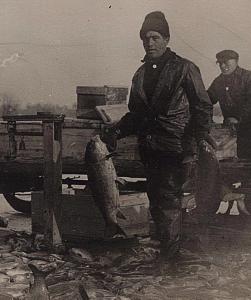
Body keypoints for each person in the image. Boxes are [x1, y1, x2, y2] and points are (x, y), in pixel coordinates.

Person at [103, 11, 213, 258]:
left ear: (166, 38)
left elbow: (202, 106)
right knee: (158, 201)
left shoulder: (185, 68)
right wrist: (116, 131)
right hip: (151, 148)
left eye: (155, 37)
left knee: (176, 202)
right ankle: (170, 252)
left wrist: (194, 143)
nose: (149, 43)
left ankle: (179, 257)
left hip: (178, 146)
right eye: (145, 38)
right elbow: (136, 114)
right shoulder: (140, 75)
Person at [208, 50, 251, 159]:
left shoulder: (248, 78)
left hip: (247, 126)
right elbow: (207, 101)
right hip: (232, 130)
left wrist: (238, 118)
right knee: (239, 160)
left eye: (226, 62)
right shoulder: (218, 82)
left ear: (236, 61)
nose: (222, 66)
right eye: (219, 63)